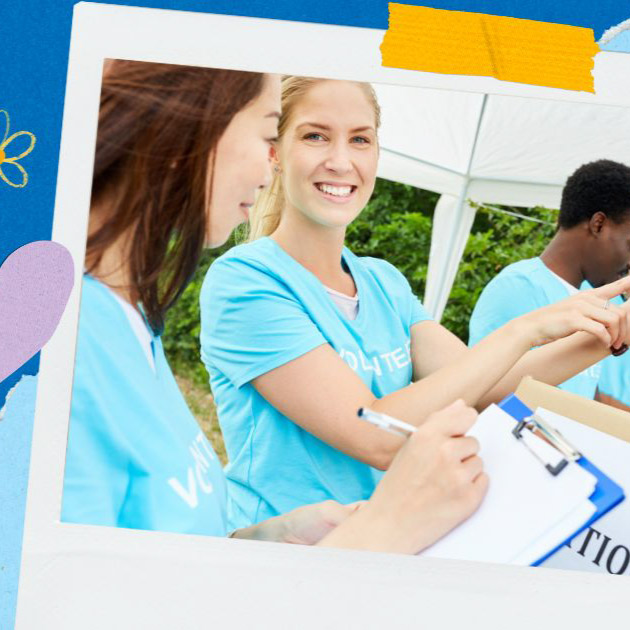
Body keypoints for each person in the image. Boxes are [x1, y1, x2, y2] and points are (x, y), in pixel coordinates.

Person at [61, 60, 491, 555]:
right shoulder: (64, 344)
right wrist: (385, 529)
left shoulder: (133, 326)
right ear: (190, 128)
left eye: (360, 139)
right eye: (271, 135)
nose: (269, 169)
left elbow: (160, 545)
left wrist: (264, 537)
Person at [200, 77, 630, 531]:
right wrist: (528, 328)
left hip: (388, 548)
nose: (341, 161)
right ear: (275, 153)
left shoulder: (383, 282)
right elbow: (376, 436)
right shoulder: (246, 281)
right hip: (287, 558)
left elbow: (489, 384)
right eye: (315, 136)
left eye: (360, 139)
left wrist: (610, 333)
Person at [469, 159, 630, 408]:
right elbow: (480, 391)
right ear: (598, 224)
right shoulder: (517, 287)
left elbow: (585, 395)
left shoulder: (594, 298)